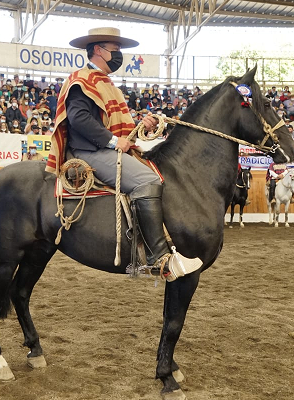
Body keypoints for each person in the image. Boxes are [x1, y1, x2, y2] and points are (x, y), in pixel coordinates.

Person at [45, 27, 200, 281]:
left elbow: (115, 125)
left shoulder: (105, 83)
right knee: (147, 180)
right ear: (98, 50)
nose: (118, 55)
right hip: (88, 151)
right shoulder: (80, 80)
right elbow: (79, 119)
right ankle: (157, 258)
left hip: (104, 148)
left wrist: (141, 126)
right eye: (115, 50)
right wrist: (114, 140)